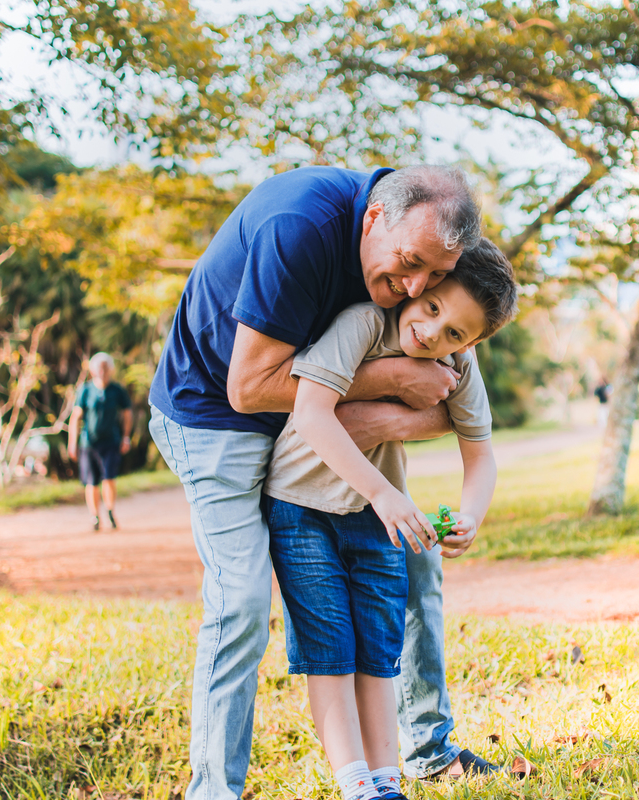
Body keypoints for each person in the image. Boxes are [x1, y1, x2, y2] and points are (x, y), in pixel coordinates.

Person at [147, 165, 501, 800]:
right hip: (212, 413)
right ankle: (212, 791)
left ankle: (422, 746)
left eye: (435, 278)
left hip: (304, 423)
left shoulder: (411, 283)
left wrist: (388, 413)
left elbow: (452, 414)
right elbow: (249, 387)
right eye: (409, 264)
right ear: (373, 220)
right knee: (243, 600)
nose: (414, 287)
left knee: (418, 562)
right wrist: (391, 391)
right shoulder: (300, 228)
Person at [263, 240, 517, 800]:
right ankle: (355, 783)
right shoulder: (361, 323)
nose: (434, 333)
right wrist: (383, 493)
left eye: (456, 333)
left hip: (371, 513)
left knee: (379, 650)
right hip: (302, 506)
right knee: (330, 649)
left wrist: (470, 513)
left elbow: (481, 451)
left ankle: (385, 782)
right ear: (421, 285)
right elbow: (310, 412)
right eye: (432, 308)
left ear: (471, 344)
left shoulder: (458, 362)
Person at [68, 352, 133, 531]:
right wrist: (72, 442)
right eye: (99, 368)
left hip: (111, 441)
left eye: (105, 367)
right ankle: (94, 516)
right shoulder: (86, 390)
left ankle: (110, 511)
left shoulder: (117, 390)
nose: (102, 371)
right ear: (93, 370)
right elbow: (76, 417)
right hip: (88, 443)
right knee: (91, 481)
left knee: (109, 478)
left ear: (110, 369)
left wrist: (126, 437)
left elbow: (127, 414)